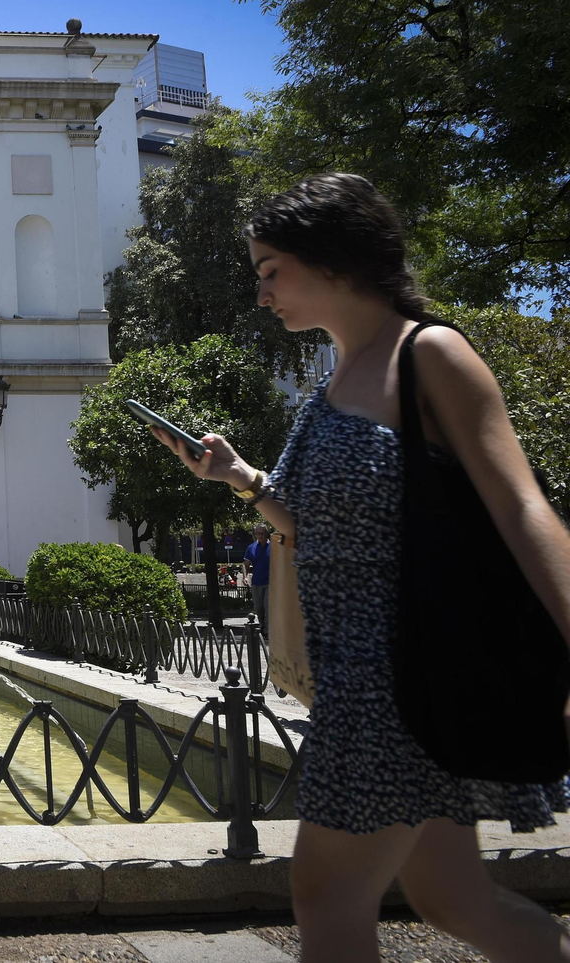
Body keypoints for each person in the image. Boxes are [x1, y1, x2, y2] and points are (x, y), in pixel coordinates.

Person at [151, 172, 570, 962]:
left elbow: (522, 508)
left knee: (325, 892)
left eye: (271, 269)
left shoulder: (430, 353)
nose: (263, 292)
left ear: (334, 258)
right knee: (453, 897)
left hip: (401, 678)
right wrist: (237, 478)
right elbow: (309, 524)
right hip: (355, 677)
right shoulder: (335, 375)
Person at [243, 525, 272, 630]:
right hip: (256, 583)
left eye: (262, 533)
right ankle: (263, 625)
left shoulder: (273, 547)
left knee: (268, 607)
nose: (260, 536)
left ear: (266, 534)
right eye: (258, 534)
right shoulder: (251, 548)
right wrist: (245, 577)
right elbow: (245, 564)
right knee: (259, 608)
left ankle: (268, 631)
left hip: (270, 583)